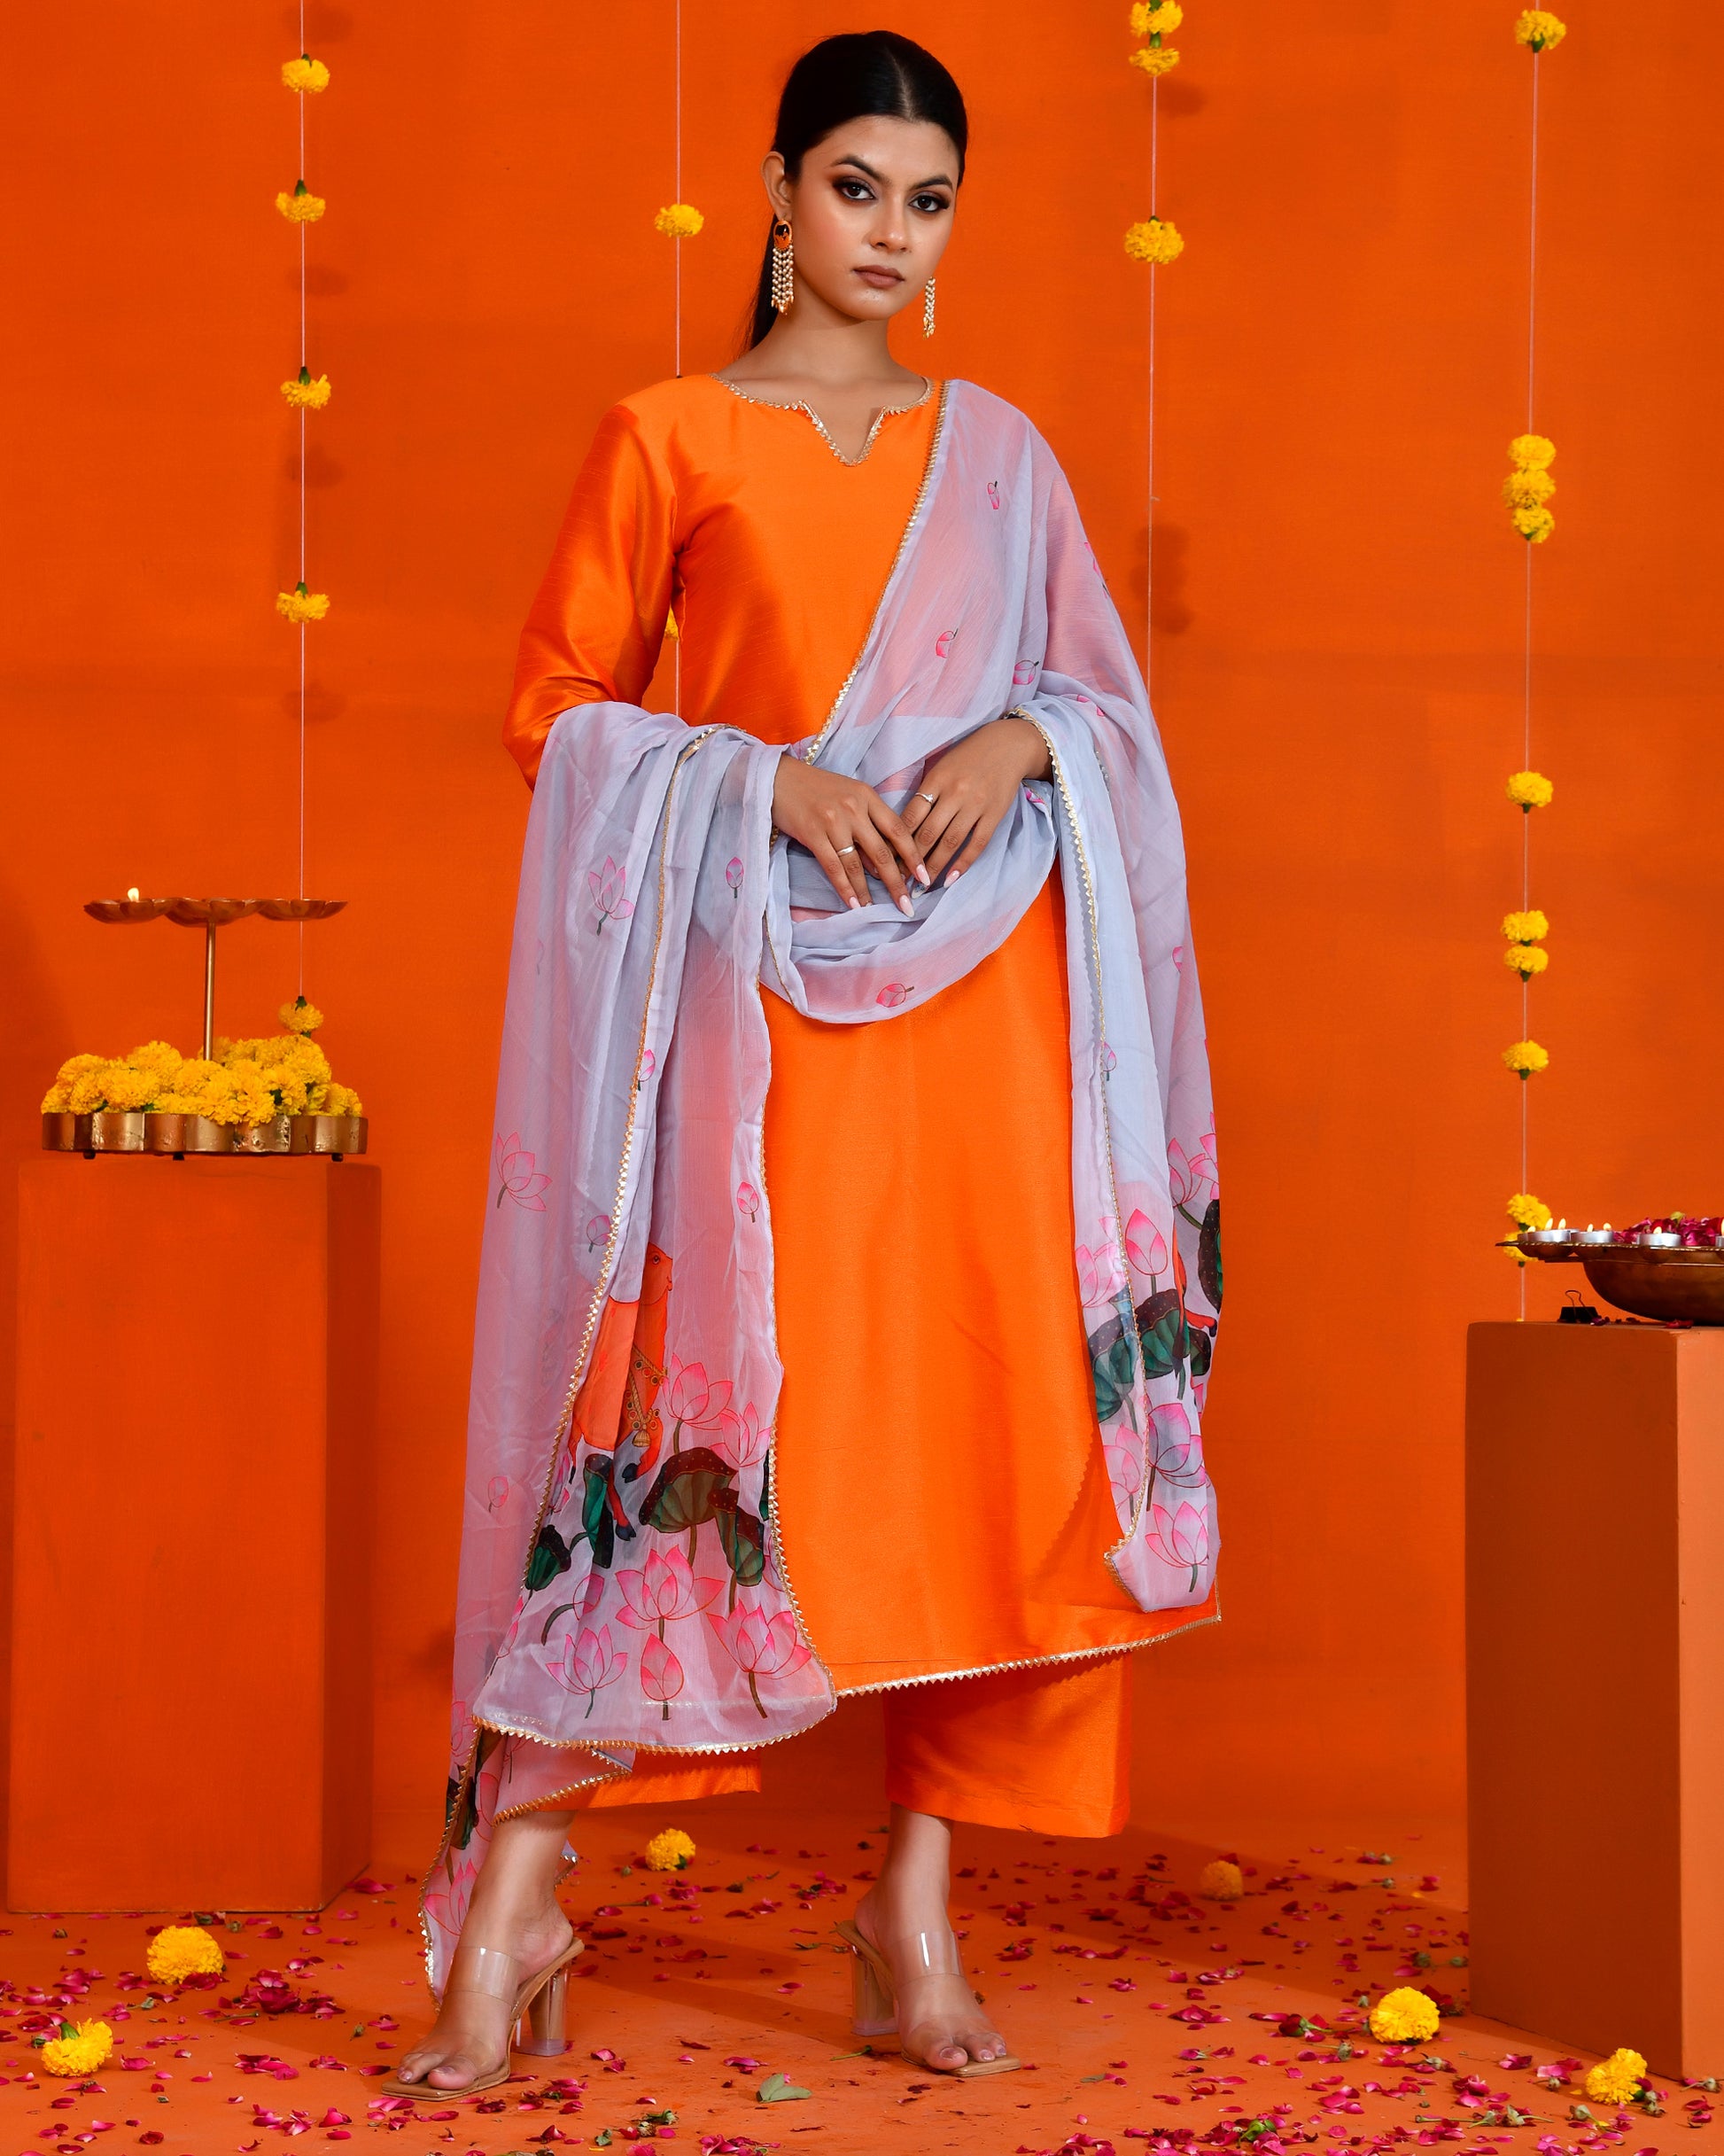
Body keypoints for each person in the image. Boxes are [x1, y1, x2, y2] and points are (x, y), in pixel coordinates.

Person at [392, 27, 1222, 2101]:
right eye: (856, 187)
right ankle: (514, 1904)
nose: (890, 234)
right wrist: (757, 782)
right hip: (749, 1018)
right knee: (685, 1424)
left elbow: (1104, 712)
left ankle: (909, 1909)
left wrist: (1021, 739)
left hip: (984, 1016)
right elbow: (557, 708)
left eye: (927, 201)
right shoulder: (667, 434)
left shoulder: (1000, 453)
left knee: (972, 1440)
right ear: (775, 194)